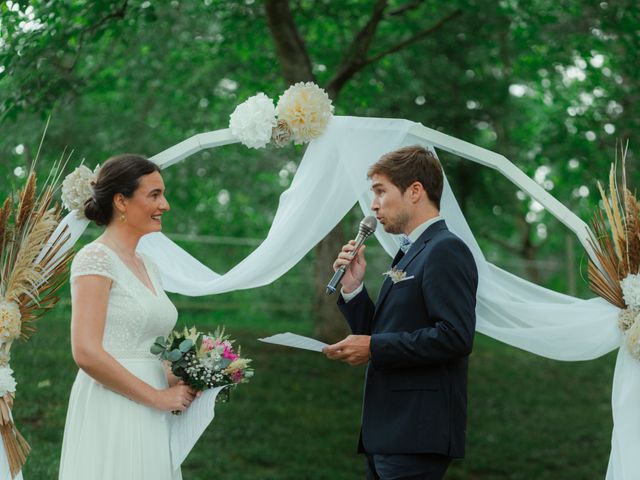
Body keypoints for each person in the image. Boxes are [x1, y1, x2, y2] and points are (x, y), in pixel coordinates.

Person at [323, 145, 478, 480]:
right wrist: (353, 288)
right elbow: (383, 331)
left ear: (415, 191)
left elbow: (455, 336)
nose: (373, 205)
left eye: (381, 192)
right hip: (388, 433)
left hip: (416, 433)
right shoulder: (412, 253)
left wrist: (373, 348)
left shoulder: (445, 249)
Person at [59, 154, 196, 480]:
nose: (165, 205)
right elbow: (87, 352)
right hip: (113, 405)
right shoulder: (94, 259)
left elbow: (142, 344)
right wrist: (157, 397)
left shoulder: (148, 264)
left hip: (153, 407)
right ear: (121, 201)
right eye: (154, 195)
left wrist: (185, 376)